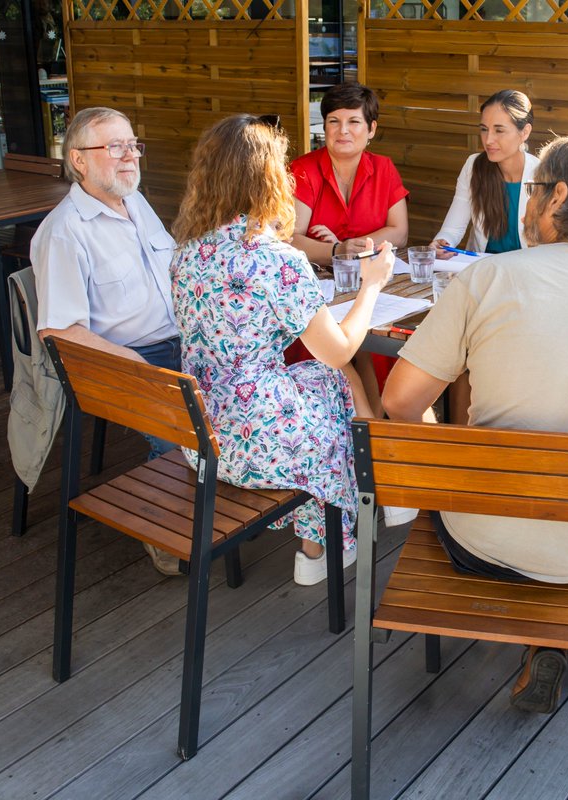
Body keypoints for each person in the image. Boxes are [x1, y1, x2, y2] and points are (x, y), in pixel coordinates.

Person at [382, 134, 568, 713]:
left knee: (493, 505)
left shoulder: (486, 279)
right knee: (566, 500)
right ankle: (557, 638)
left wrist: (452, 457)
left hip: (481, 540)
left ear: (558, 195)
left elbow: (398, 403)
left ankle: (545, 637)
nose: (527, 203)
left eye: (535, 190)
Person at [169, 114, 395, 586]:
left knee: (328, 382)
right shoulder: (275, 259)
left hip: (201, 436)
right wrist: (371, 285)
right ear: (270, 179)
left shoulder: (187, 250)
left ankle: (349, 521)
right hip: (258, 439)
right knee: (337, 381)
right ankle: (325, 543)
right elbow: (337, 350)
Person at [32, 106, 185, 576]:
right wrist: (140, 367)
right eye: (113, 146)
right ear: (78, 160)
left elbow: (174, 268)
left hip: (182, 339)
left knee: (256, 387)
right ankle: (166, 529)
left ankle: (234, 492)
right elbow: (59, 331)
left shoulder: (134, 201)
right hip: (127, 358)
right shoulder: (65, 232)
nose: (129, 156)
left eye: (132, 144)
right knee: (184, 426)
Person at [289, 83, 409, 265]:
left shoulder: (384, 167)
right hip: (317, 277)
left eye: (354, 121)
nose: (343, 130)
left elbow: (400, 233)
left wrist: (351, 248)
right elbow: (289, 238)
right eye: (334, 121)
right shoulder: (302, 170)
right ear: (324, 127)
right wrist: (337, 250)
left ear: (372, 129)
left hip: (372, 271)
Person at [432, 90, 539, 256]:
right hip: (482, 270)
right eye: (484, 129)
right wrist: (441, 243)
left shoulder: (543, 174)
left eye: (499, 130)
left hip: (526, 273)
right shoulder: (474, 166)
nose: (488, 140)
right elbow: (452, 230)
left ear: (525, 132)